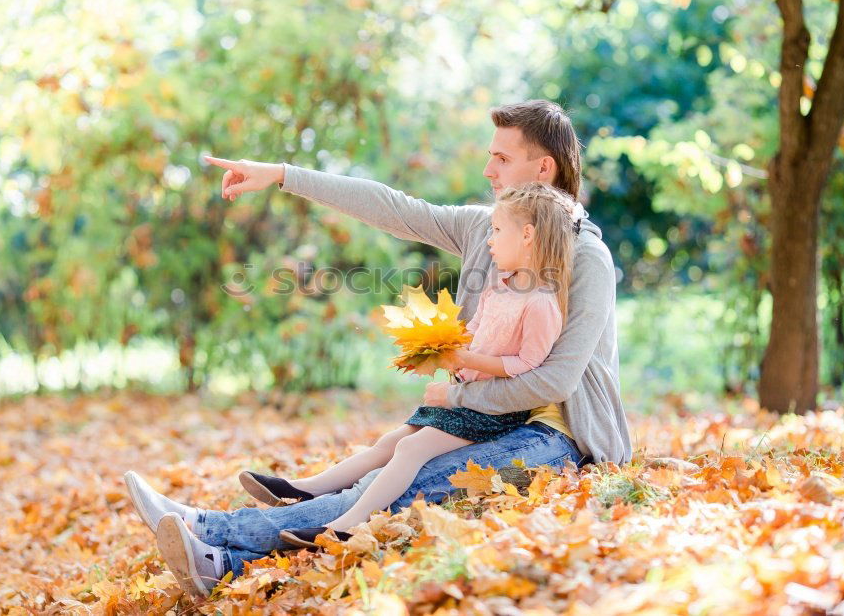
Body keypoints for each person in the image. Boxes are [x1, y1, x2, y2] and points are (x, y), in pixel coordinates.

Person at [124, 99, 632, 598]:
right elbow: (395, 208)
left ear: (543, 168)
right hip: (489, 412)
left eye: (502, 158)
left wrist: (454, 399)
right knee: (386, 469)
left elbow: (554, 381)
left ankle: (211, 532)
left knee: (402, 483)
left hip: (555, 434)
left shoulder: (587, 257)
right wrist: (282, 173)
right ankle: (222, 558)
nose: (488, 168)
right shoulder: (488, 228)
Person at [271, 183, 579, 547]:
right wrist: (446, 347)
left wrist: (468, 360)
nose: (490, 240)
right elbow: (477, 328)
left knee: (410, 450)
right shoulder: (499, 284)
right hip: (465, 393)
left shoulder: (542, 303)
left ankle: (347, 524)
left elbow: (528, 363)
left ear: (527, 235)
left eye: (497, 230)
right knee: (393, 440)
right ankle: (307, 488)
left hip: (493, 410)